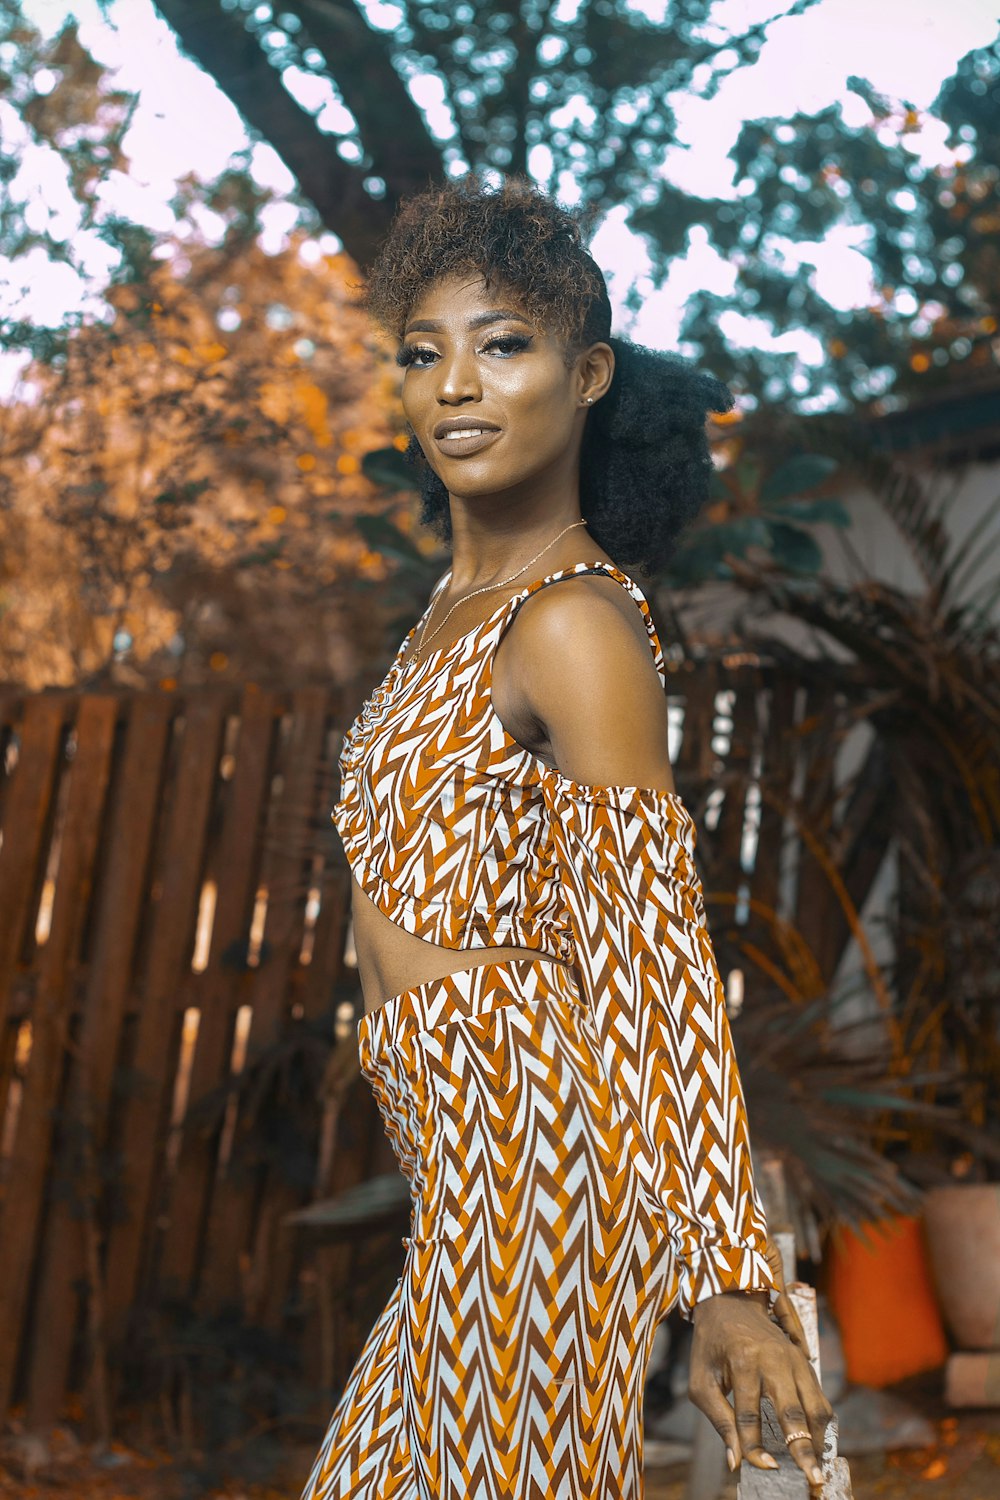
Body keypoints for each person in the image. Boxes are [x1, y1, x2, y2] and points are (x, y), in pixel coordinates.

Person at [303, 176, 833, 1500]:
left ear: (587, 373)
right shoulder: (452, 612)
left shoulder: (572, 625)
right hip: (461, 1180)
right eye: (423, 353)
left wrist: (728, 1281)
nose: (455, 387)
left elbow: (654, 965)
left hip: (540, 1171)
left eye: (505, 344)